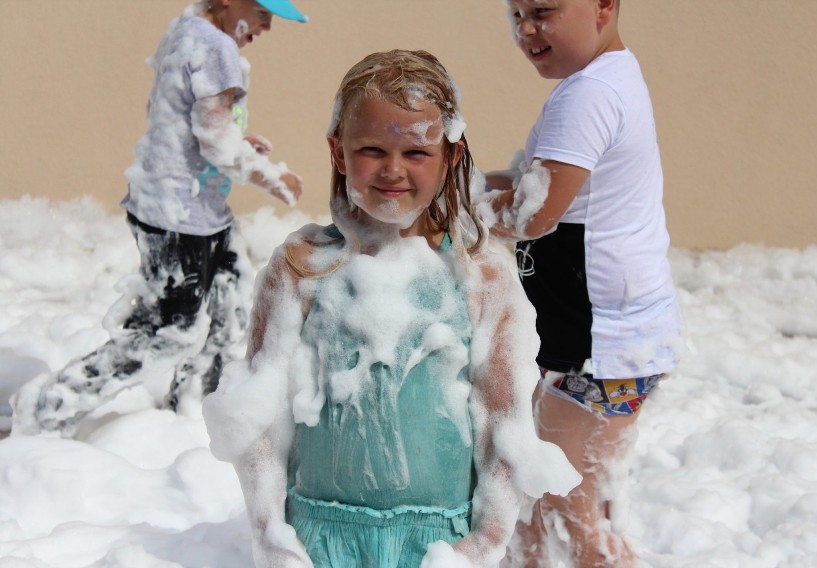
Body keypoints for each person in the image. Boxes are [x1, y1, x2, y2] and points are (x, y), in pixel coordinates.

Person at [201, 49, 580, 568]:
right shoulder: (301, 267)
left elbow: (501, 427)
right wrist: (271, 533)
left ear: (449, 154)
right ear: (338, 152)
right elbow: (258, 423)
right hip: (316, 537)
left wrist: (483, 544)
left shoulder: (482, 277)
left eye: (417, 153)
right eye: (372, 149)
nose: (393, 170)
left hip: (439, 544)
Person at [12, 0, 307, 437]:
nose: (266, 24)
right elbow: (216, 141)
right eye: (263, 10)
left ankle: (196, 409)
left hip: (189, 209)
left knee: (228, 304)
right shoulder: (216, 48)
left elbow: (181, 118)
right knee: (168, 332)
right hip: (179, 216)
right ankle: (51, 408)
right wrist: (270, 174)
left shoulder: (188, 29)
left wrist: (238, 139)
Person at [475, 1, 682, 567]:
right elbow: (532, 182)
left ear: (604, 5)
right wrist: (460, 179)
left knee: (560, 494)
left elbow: (532, 212)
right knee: (584, 486)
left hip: (597, 340)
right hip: (627, 335)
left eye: (543, 10)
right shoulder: (611, 76)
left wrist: (449, 211)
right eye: (516, 14)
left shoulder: (586, 95)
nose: (526, 29)